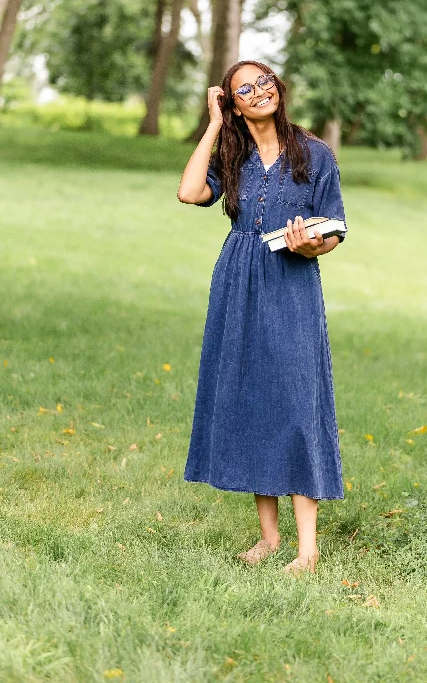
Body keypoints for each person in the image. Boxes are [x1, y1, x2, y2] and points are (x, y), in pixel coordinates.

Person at [177, 60, 347, 574]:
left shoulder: (314, 154)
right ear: (232, 102)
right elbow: (190, 192)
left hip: (292, 286)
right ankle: (268, 539)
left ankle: (308, 550)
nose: (260, 91)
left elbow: (335, 231)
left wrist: (309, 247)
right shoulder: (233, 153)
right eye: (245, 89)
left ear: (279, 87)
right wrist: (212, 125)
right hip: (238, 283)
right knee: (254, 398)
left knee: (297, 404)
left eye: (265, 81)